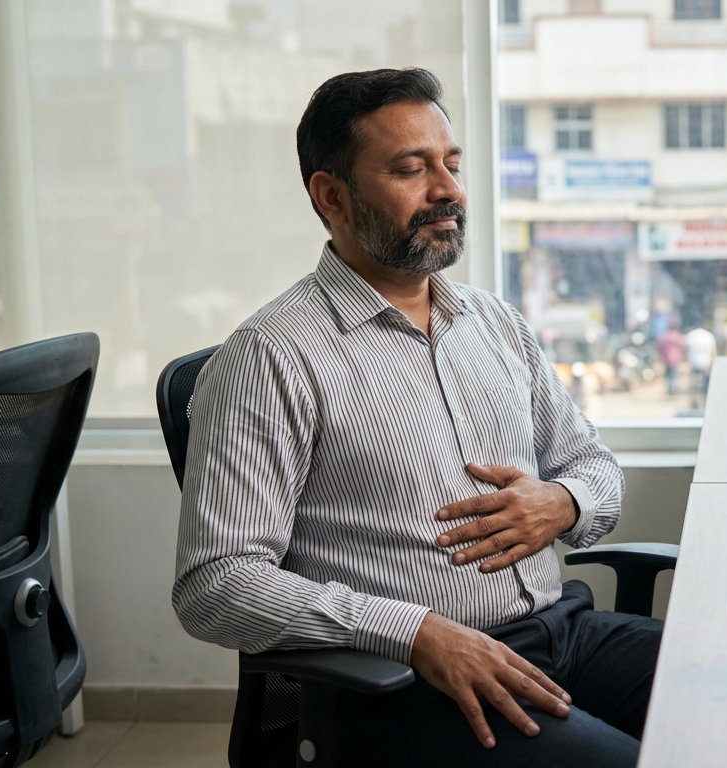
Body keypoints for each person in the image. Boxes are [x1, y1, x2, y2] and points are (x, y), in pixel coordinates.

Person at [171, 68, 658, 767]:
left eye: (451, 165)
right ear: (331, 195)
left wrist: (564, 502)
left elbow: (592, 464)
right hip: (404, 686)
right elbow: (214, 583)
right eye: (411, 169)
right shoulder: (269, 357)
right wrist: (416, 631)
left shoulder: (494, 322)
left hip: (562, 633)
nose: (449, 190)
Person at [685, 325, 716, 409]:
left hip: (694, 362)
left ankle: (695, 401)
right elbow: (713, 351)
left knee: (695, 384)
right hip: (704, 363)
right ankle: (701, 403)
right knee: (702, 386)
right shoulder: (708, 336)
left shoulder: (691, 335)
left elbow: (686, 349)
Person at [655, 322, 685, 395]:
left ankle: (670, 389)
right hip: (675, 358)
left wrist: (661, 357)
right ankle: (673, 389)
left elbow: (659, 347)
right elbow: (684, 345)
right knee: (674, 374)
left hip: (666, 359)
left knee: (668, 375)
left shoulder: (664, 336)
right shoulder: (678, 336)